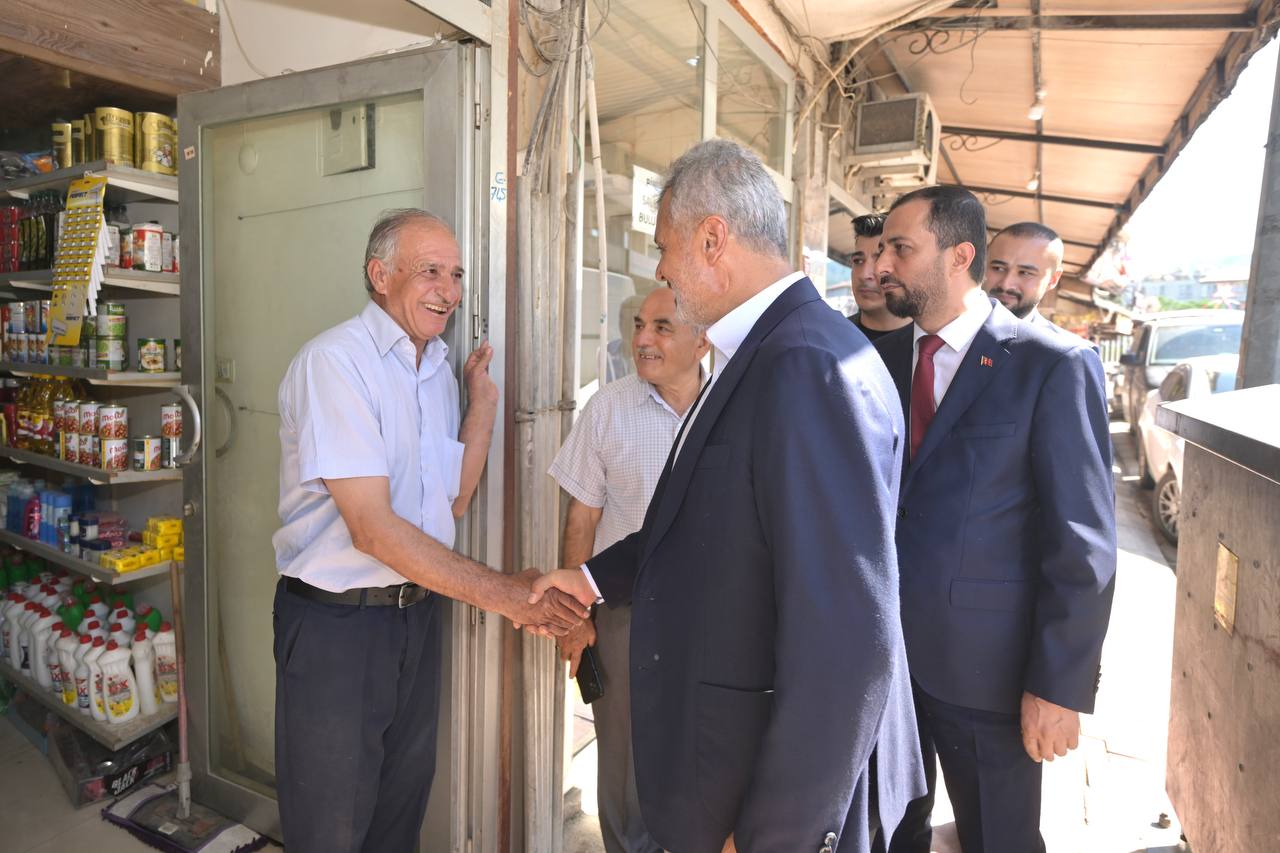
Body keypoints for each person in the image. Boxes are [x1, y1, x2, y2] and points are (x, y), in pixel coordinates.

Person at [529, 139, 924, 853]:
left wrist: (778, 831)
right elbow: (706, 522)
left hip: (777, 807)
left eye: (665, 247)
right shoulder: (768, 352)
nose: (660, 271)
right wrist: (587, 578)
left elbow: (846, 634)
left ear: (713, 238)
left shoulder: (805, 367)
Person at [271, 209, 587, 852]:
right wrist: (506, 595)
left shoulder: (432, 371)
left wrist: (483, 404)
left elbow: (455, 497)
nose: (449, 289)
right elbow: (374, 531)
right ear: (379, 275)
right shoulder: (335, 363)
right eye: (431, 271)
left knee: (399, 813)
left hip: (414, 619)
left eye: (457, 274)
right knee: (330, 826)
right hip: (338, 627)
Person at [871, 187, 1117, 853]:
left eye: (899, 248)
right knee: (889, 835)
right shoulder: (876, 362)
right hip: (882, 669)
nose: (877, 267)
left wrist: (1057, 685)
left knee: (997, 840)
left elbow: (1083, 542)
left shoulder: (1050, 366)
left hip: (992, 680)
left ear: (958, 255)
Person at [550, 287, 709, 853]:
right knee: (623, 755)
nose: (642, 339)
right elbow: (582, 516)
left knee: (702, 744)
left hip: (711, 612)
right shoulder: (609, 407)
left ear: (702, 339)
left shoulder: (730, 408)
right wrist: (575, 617)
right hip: (623, 612)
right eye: (640, 325)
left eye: (663, 328)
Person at [983, 221, 1064, 326]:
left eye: (1025, 273)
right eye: (998, 268)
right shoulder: (955, 325)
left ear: (1053, 280)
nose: (1005, 284)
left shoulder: (1056, 342)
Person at [847, 213, 911, 342]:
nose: (865, 275)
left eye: (879, 260)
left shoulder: (929, 347)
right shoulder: (830, 339)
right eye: (858, 261)